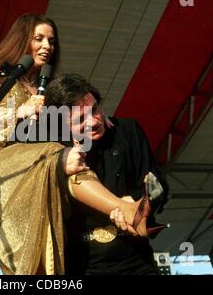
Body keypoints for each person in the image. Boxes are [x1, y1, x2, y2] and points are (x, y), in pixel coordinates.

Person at [0, 14, 152, 275]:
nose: (47, 46)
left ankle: (125, 209)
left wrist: (100, 114)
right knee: (57, 154)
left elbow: (71, 112)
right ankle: (123, 207)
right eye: (39, 39)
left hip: (34, 165)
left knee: (65, 157)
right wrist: (19, 113)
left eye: (52, 40)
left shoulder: (43, 87)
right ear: (20, 43)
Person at [45, 73, 169, 275]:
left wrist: (137, 200)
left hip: (134, 256)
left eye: (94, 110)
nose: (93, 121)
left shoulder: (128, 130)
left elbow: (159, 184)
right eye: (80, 119)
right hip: (81, 263)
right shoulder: (54, 150)